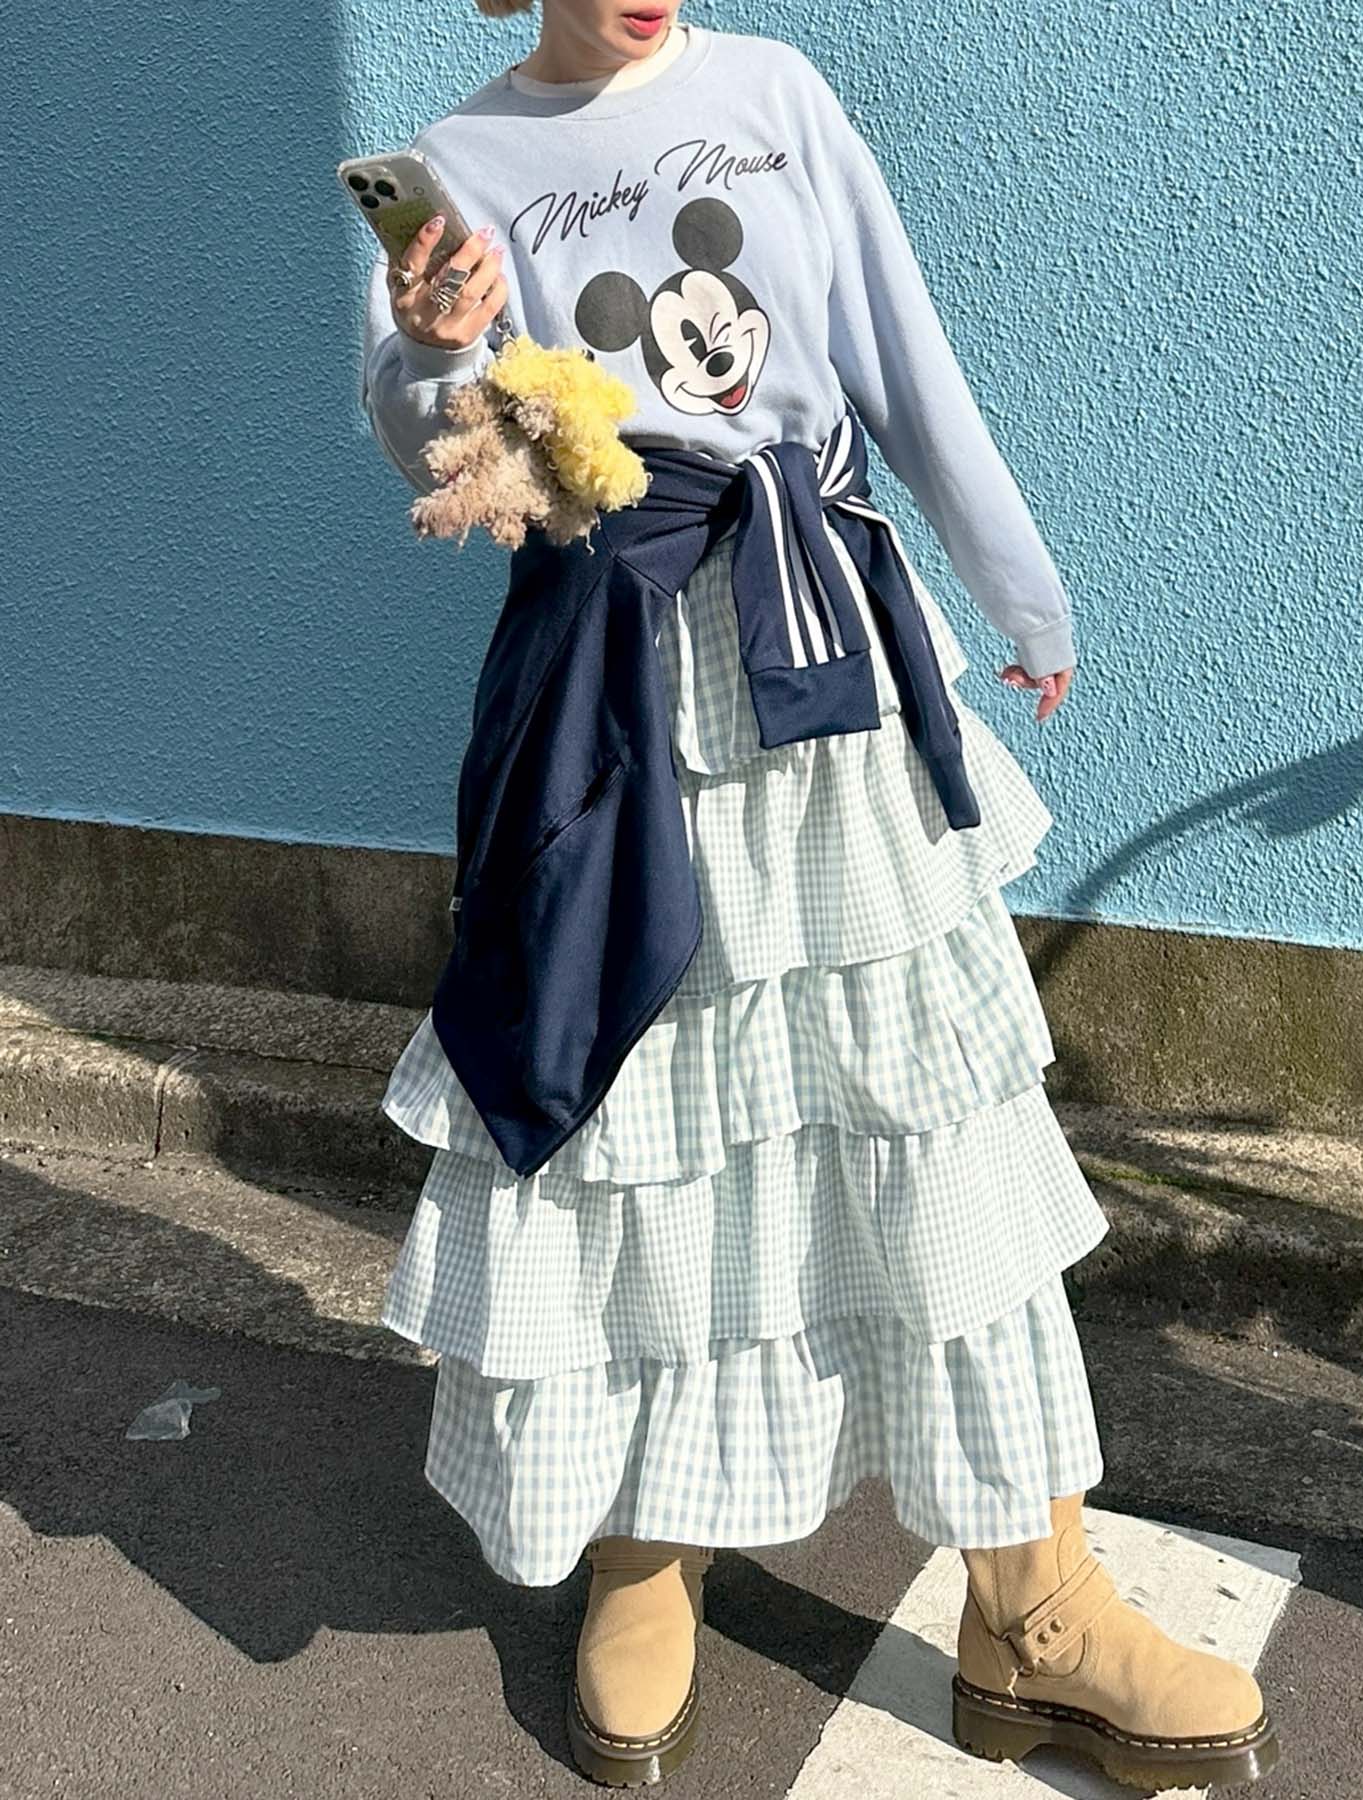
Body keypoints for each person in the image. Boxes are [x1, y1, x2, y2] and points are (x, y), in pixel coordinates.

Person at [359, 3, 1280, 1789]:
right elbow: (439, 455)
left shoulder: (772, 88)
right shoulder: (459, 164)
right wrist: (433, 355)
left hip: (828, 634)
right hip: (619, 686)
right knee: (635, 1115)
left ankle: (1036, 1603)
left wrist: (1020, 589)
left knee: (921, 1108)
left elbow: (895, 350)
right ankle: (643, 1554)